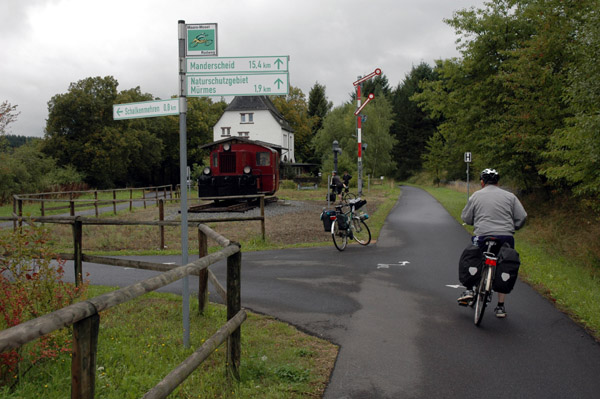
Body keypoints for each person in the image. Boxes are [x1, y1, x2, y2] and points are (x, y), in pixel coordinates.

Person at [458, 168, 527, 318]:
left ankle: (470, 289)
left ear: (482, 182)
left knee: (473, 258)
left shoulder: (476, 196)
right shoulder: (510, 196)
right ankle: (500, 306)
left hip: (483, 236)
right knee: (504, 265)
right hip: (505, 237)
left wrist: (475, 222)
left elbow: (466, 218)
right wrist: (513, 228)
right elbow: (522, 217)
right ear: (498, 183)